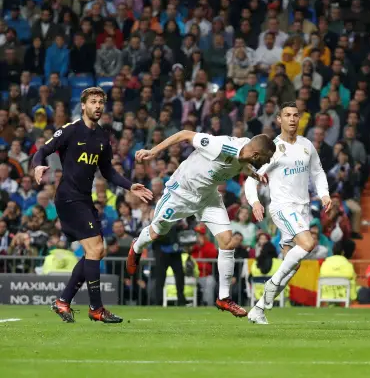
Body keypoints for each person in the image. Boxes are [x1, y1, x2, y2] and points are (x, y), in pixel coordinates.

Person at [31, 87, 154, 323]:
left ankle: (63, 301)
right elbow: (43, 150)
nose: (98, 106)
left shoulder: (102, 137)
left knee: (96, 251)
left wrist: (130, 186)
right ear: (84, 105)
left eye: (101, 102)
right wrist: (38, 165)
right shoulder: (70, 130)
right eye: (93, 102)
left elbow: (107, 170)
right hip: (68, 197)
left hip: (84, 198)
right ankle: (96, 308)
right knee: (96, 250)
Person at [127, 129, 275, 318]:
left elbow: (241, 164)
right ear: (256, 154)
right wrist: (154, 151)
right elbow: (185, 134)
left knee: (227, 242)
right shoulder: (221, 146)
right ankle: (137, 247)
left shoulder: (246, 150)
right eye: (265, 159)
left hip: (208, 197)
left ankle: (224, 297)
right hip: (180, 194)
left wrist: (253, 174)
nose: (266, 163)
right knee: (156, 232)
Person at [244, 102, 331, 324]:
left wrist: (324, 194)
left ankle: (259, 308)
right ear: (279, 120)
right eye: (287, 115)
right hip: (282, 207)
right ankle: (271, 284)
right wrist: (254, 202)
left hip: (302, 209)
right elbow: (250, 180)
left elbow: (318, 172)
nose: (292, 119)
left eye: (295, 115)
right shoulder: (271, 150)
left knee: (292, 265)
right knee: (308, 244)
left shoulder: (306, 145)